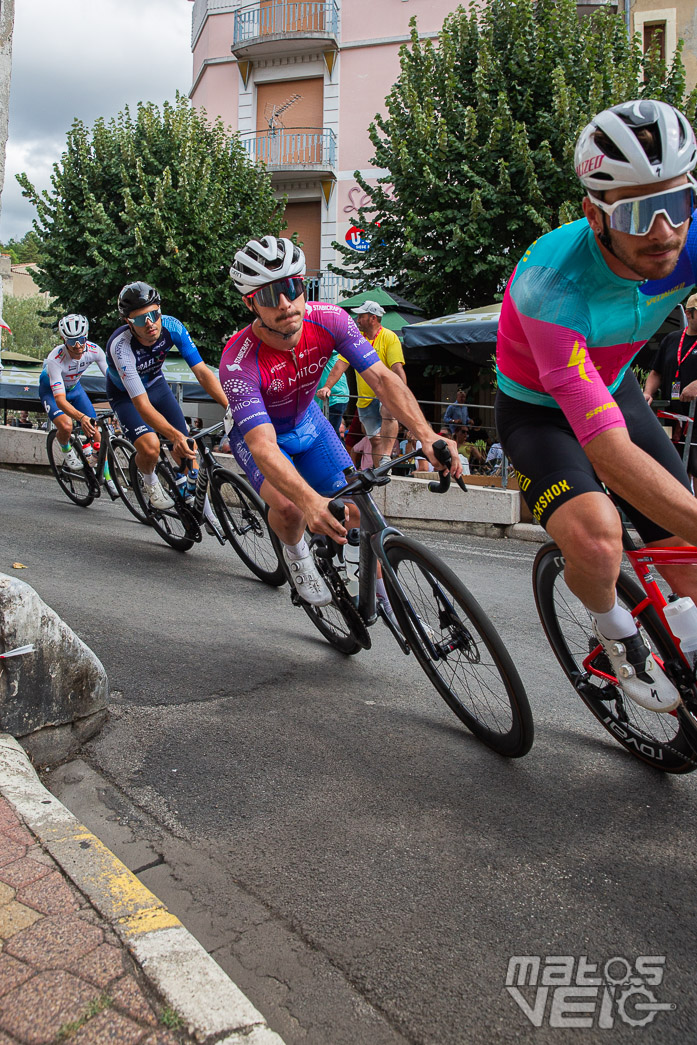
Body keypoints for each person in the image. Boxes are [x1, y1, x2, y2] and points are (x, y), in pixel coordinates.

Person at [495, 98, 697, 714]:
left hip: (612, 387)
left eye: (680, 202)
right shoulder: (551, 285)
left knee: (687, 564)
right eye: (639, 211)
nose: (664, 231)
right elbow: (607, 454)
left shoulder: (686, 239)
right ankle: (611, 634)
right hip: (537, 413)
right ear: (596, 213)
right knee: (599, 539)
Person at [220, 236, 460, 608]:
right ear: (250, 303)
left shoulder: (330, 319)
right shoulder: (238, 362)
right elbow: (264, 446)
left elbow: (382, 378)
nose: (285, 304)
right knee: (290, 509)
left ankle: (387, 605)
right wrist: (311, 502)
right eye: (269, 296)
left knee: (354, 506)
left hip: (309, 422)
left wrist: (426, 434)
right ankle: (297, 555)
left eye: (291, 288)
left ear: (302, 286)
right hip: (264, 436)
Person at [106, 281, 229, 510]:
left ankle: (191, 499)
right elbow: (141, 405)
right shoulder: (121, 346)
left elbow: (202, 372)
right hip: (126, 396)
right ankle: (150, 481)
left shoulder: (173, 326)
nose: (150, 324)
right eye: (141, 319)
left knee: (188, 450)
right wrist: (173, 436)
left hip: (155, 383)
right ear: (128, 322)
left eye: (154, 314)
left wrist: (229, 407)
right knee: (151, 446)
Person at [317, 300, 407, 467]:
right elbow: (340, 365)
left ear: (373, 318)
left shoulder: (389, 337)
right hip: (365, 398)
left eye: (361, 316)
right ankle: (381, 471)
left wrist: (402, 392)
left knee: (388, 412)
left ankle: (386, 458)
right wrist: (327, 386)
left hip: (386, 393)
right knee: (374, 440)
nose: (357, 320)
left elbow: (397, 368)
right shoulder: (357, 339)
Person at [39, 315, 113, 484]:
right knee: (66, 425)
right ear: (63, 340)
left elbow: (111, 379)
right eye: (72, 342)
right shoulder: (54, 359)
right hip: (51, 393)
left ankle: (108, 478)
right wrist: (81, 417)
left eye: (81, 339)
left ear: (86, 335)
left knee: (96, 432)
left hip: (75, 390)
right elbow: (60, 400)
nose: (78, 346)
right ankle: (66, 448)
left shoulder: (94, 350)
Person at [644, 291, 697, 478]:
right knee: (674, 469)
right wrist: (648, 392)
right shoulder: (672, 339)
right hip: (671, 415)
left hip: (694, 417)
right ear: (689, 314)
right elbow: (656, 371)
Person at [314, 349, 349, 435]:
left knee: (331, 435)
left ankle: (339, 449)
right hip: (320, 399)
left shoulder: (326, 345)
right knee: (328, 435)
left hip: (335, 396)